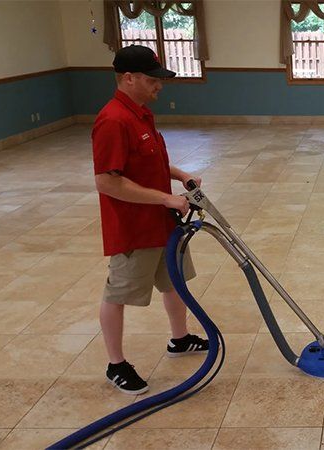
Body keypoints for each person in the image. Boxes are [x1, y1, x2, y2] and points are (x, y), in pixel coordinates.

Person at [92, 45, 208, 394]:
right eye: (152, 79)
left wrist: (180, 175)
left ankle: (180, 339)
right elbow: (107, 181)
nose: (159, 86)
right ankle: (116, 364)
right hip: (134, 228)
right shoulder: (113, 120)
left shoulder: (140, 114)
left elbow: (150, 160)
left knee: (174, 281)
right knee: (118, 294)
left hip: (162, 223)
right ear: (129, 78)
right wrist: (164, 198)